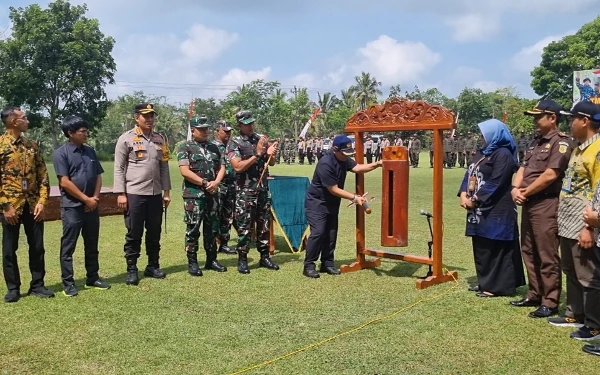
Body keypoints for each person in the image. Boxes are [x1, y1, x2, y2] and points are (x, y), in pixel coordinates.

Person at [510, 100, 573, 318]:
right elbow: (523, 167)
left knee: (546, 253)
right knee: (528, 249)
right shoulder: (535, 142)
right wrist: (515, 188)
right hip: (528, 203)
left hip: (546, 203)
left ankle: (550, 300)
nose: (535, 121)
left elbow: (550, 174)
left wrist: (524, 192)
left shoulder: (561, 142)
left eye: (539, 117)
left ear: (552, 117)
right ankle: (534, 293)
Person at [548, 102, 600, 341]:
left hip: (584, 222)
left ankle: (594, 324)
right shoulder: (579, 148)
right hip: (568, 220)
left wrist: (589, 227)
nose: (570, 123)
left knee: (588, 276)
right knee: (570, 269)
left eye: (573, 119)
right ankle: (574, 313)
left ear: (585, 121)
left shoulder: (597, 149)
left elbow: (597, 193)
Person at [458, 119, 525, 297]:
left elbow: (497, 180)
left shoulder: (503, 154)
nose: (481, 137)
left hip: (497, 208)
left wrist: (476, 199)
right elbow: (469, 173)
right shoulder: (482, 152)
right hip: (478, 209)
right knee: (482, 244)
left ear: (495, 134)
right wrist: (464, 193)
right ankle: (485, 282)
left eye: (484, 133)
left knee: (496, 245)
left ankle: (497, 286)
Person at [303, 135, 382, 278]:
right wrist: (354, 197)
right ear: (335, 149)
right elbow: (333, 189)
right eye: (344, 153)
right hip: (317, 203)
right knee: (318, 233)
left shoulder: (343, 158)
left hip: (332, 203)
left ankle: (327, 263)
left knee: (331, 234)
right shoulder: (325, 163)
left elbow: (357, 168)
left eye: (349, 154)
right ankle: (309, 266)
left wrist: (377, 164)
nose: (347, 157)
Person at [114, 103, 172, 286]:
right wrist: (121, 194)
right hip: (134, 193)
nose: (149, 119)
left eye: (152, 116)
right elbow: (119, 168)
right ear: (136, 118)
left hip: (155, 194)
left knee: (154, 231)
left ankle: (153, 265)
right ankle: (132, 269)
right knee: (134, 232)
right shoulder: (126, 139)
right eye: (145, 116)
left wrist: (167, 192)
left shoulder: (159, 139)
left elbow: (164, 167)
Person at [0, 107, 54, 303]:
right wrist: (5, 206)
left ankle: (38, 284)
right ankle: (13, 288)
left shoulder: (32, 146)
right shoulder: (0, 145)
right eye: (24, 118)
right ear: (13, 121)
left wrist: (42, 201)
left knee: (37, 246)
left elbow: (43, 175)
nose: (27, 121)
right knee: (9, 248)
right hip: (11, 206)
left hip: (32, 205)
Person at [52, 115, 110, 297]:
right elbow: (65, 182)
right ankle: (68, 283)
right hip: (72, 207)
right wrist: (86, 199)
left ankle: (92, 277)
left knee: (92, 244)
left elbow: (98, 176)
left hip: (91, 206)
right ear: (70, 133)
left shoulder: (90, 151)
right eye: (82, 131)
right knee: (68, 246)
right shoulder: (60, 153)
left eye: (86, 131)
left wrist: (94, 198)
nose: (86, 134)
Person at [227, 110, 279, 274]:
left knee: (264, 225)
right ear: (239, 125)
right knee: (245, 227)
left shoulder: (260, 139)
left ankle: (265, 257)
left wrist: (271, 154)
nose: (250, 126)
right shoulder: (234, 143)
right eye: (246, 123)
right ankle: (242, 259)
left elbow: (271, 164)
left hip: (262, 190)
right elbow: (237, 167)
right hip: (245, 192)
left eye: (252, 123)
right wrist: (258, 154)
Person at [177, 116, 227, 276]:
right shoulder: (185, 147)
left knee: (212, 228)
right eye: (201, 129)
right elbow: (185, 171)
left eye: (207, 128)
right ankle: (192, 262)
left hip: (213, 193)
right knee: (193, 228)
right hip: (194, 195)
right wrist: (206, 183)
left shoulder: (215, 147)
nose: (205, 131)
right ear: (193, 130)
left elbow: (222, 167)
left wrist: (216, 183)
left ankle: (211, 260)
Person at [212, 120, 237, 255]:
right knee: (216, 214)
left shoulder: (232, 146)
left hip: (231, 184)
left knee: (228, 215)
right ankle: (213, 242)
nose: (228, 133)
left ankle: (224, 243)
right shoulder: (212, 147)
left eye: (229, 131)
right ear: (217, 131)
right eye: (225, 131)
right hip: (218, 185)